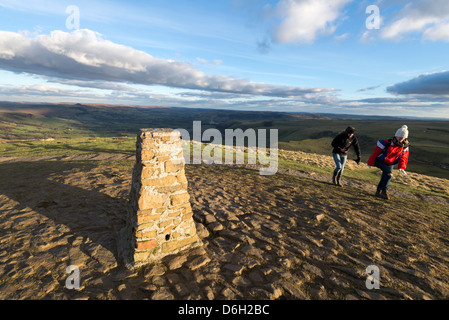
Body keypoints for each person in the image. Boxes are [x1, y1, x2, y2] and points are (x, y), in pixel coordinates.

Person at [368, 125, 410, 200]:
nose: (401, 138)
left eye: (403, 137)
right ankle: (385, 191)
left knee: (385, 176)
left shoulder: (404, 146)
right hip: (380, 161)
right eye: (400, 136)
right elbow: (375, 153)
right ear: (396, 136)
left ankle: (378, 192)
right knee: (389, 175)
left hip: (391, 163)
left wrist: (401, 167)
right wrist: (370, 162)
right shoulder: (386, 143)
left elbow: (404, 157)